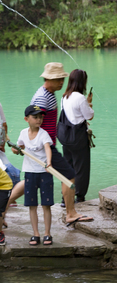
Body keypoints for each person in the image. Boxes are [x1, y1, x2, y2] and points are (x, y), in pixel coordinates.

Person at [9, 62, 93, 226]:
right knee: (69, 175)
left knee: (30, 180)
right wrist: (26, 142)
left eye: (62, 79)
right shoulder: (42, 97)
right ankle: (70, 213)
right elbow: (32, 120)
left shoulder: (50, 94)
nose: (61, 82)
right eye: (58, 79)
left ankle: (0, 207)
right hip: (43, 147)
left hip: (45, 144)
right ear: (48, 79)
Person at [13, 105, 54, 246]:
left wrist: (49, 162)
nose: (39, 120)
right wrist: (16, 150)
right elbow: (19, 147)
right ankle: (35, 233)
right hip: (30, 173)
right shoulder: (23, 133)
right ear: (26, 119)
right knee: (32, 205)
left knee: (46, 205)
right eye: (35, 117)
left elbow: (48, 148)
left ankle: (47, 233)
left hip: (44, 172)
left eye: (40, 117)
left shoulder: (43, 134)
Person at [61, 69, 94, 202]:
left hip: (66, 137)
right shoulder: (80, 98)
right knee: (81, 168)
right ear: (82, 82)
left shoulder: (65, 96)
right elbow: (89, 116)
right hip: (78, 137)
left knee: (68, 167)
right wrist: (89, 103)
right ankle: (79, 196)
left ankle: (65, 198)